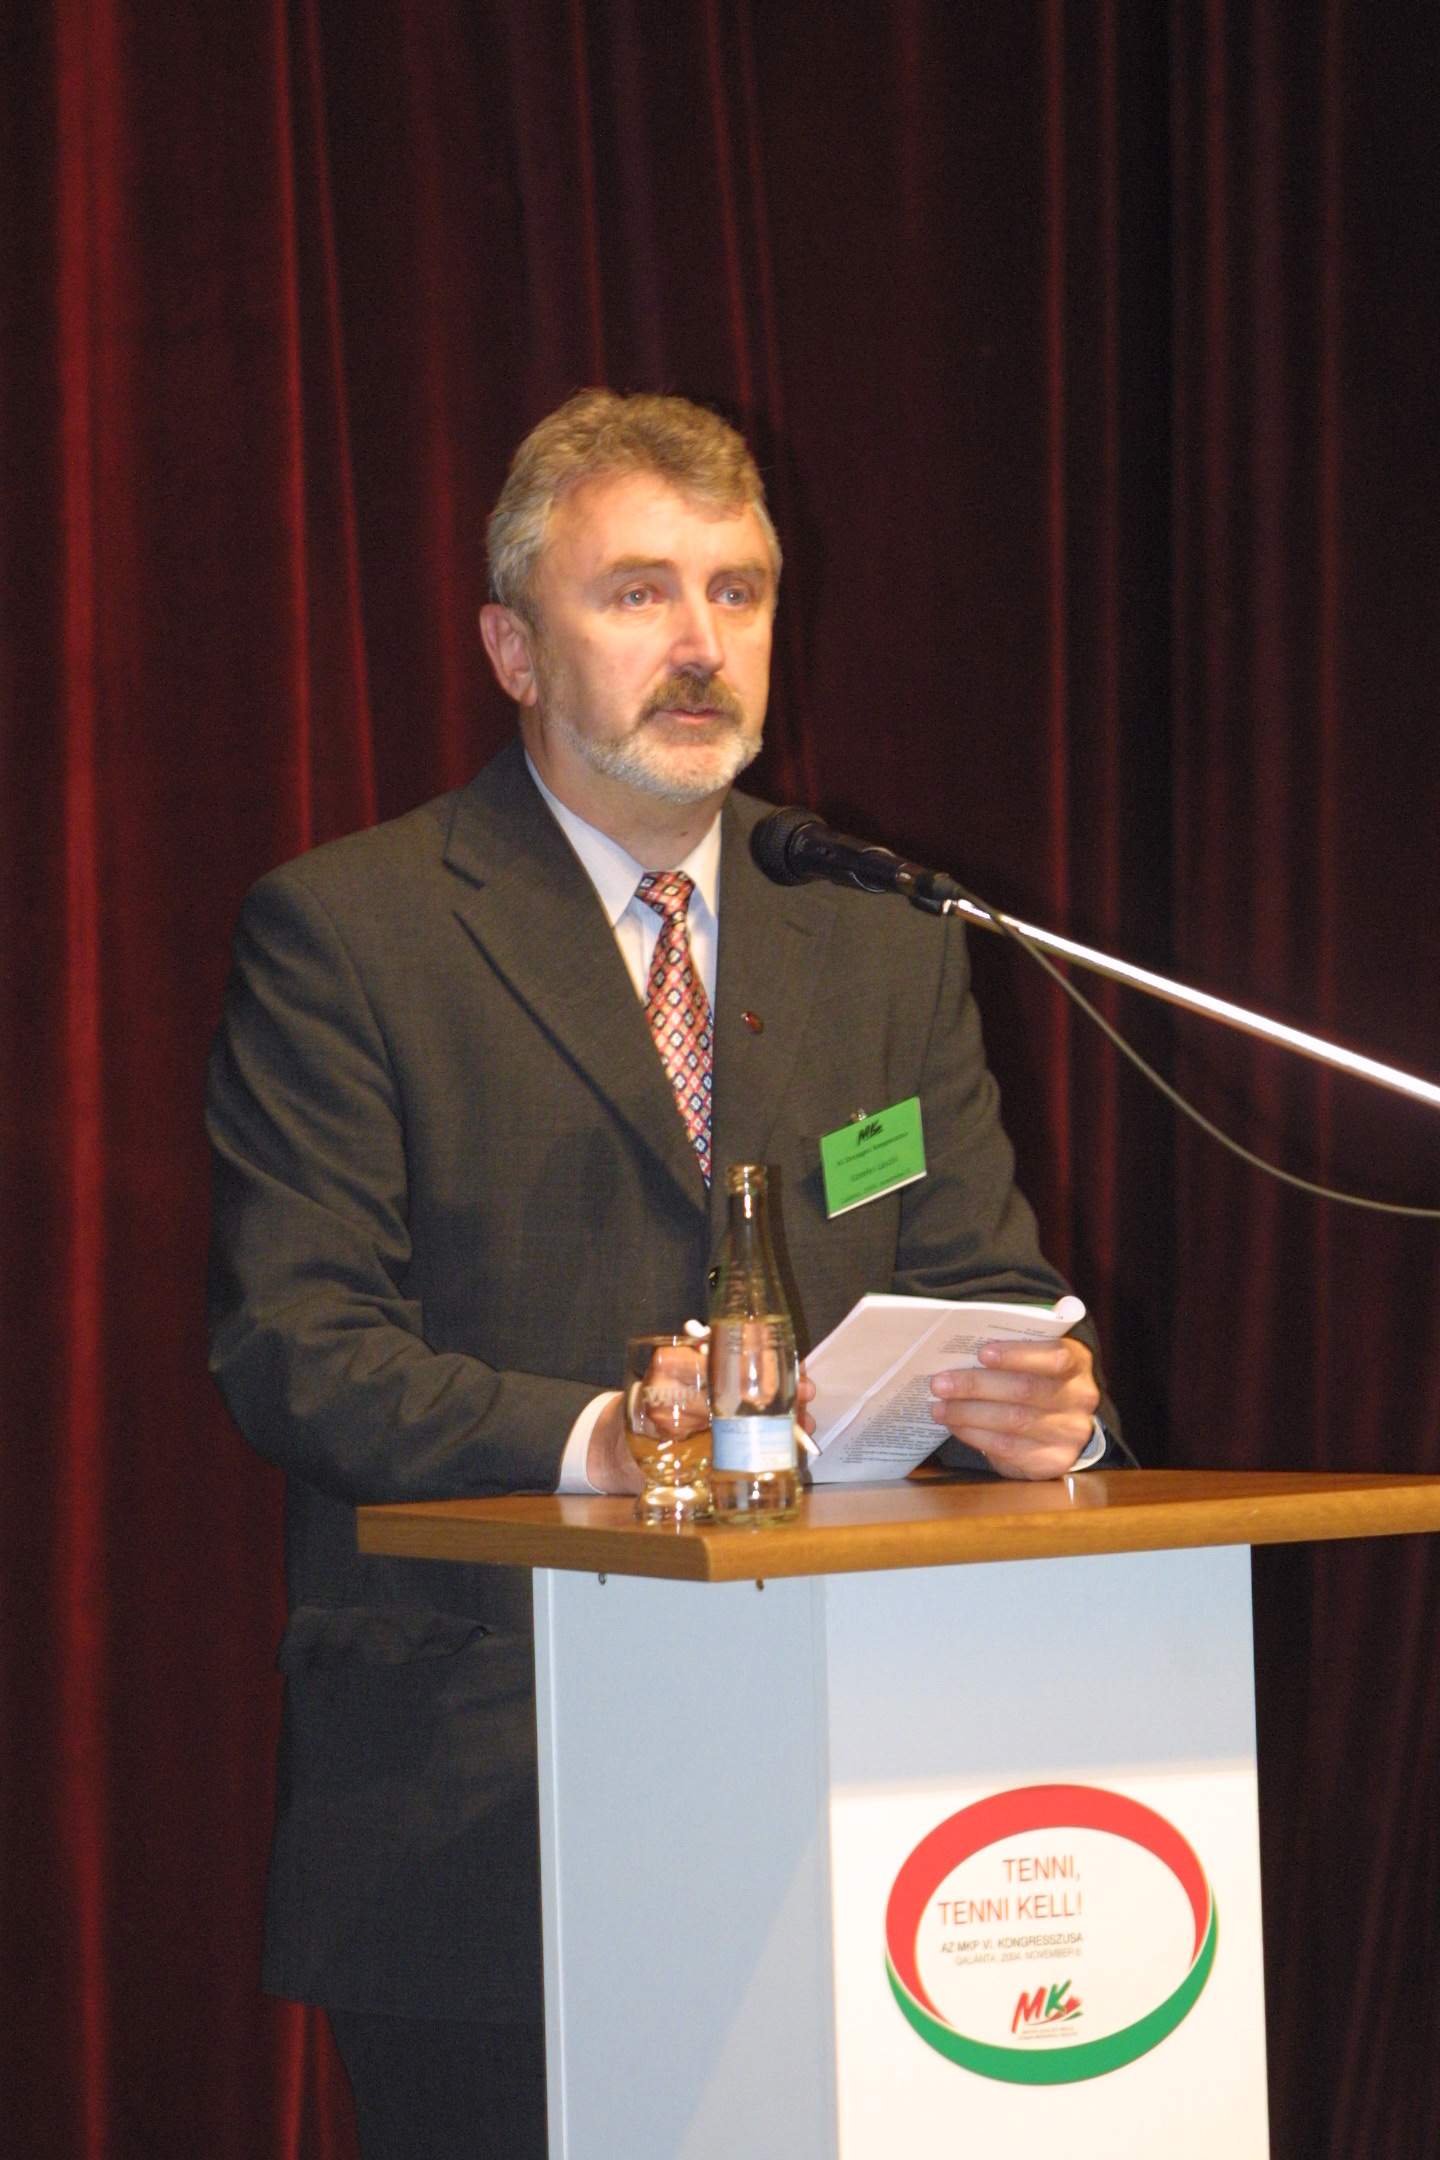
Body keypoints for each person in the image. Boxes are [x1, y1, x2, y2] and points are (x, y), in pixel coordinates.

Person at [206, 389, 1120, 2158]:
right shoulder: (356, 931)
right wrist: (605, 1440)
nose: (700, 644)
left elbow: (983, 1279)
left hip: (854, 1780)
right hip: (492, 1793)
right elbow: (295, 1348)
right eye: (638, 593)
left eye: (738, 592)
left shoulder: (880, 936)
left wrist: (1044, 1410)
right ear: (512, 648)